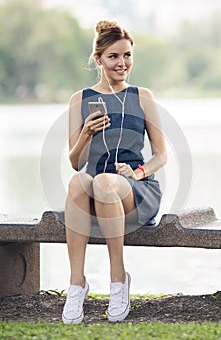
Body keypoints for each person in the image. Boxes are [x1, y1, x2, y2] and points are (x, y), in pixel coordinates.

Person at [62, 20, 167, 324]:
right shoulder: (79, 100)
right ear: (98, 59)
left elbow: (161, 155)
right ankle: (76, 284)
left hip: (136, 191)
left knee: (107, 182)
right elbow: (75, 162)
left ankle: (118, 280)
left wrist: (138, 172)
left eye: (127, 56)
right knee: (80, 181)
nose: (122, 63)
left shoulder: (142, 97)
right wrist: (85, 135)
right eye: (114, 56)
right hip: (96, 191)